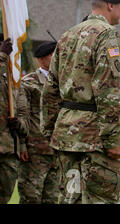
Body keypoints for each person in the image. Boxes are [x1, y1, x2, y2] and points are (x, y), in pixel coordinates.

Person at [41, 0, 120, 204]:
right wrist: (113, 140)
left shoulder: (67, 35)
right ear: (110, 5)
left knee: (71, 199)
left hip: (66, 138)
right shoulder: (107, 35)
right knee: (100, 200)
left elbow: (50, 89)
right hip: (96, 139)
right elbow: (107, 91)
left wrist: (49, 132)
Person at [17, 41, 59, 204]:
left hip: (56, 150)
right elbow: (23, 116)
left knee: (51, 198)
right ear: (42, 59)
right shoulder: (29, 82)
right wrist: (21, 145)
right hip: (35, 150)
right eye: (52, 56)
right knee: (31, 197)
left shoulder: (63, 83)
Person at [0, 35, 28, 204]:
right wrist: (2, 56)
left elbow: (25, 115)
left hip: (9, 151)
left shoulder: (15, 84)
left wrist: (19, 123)